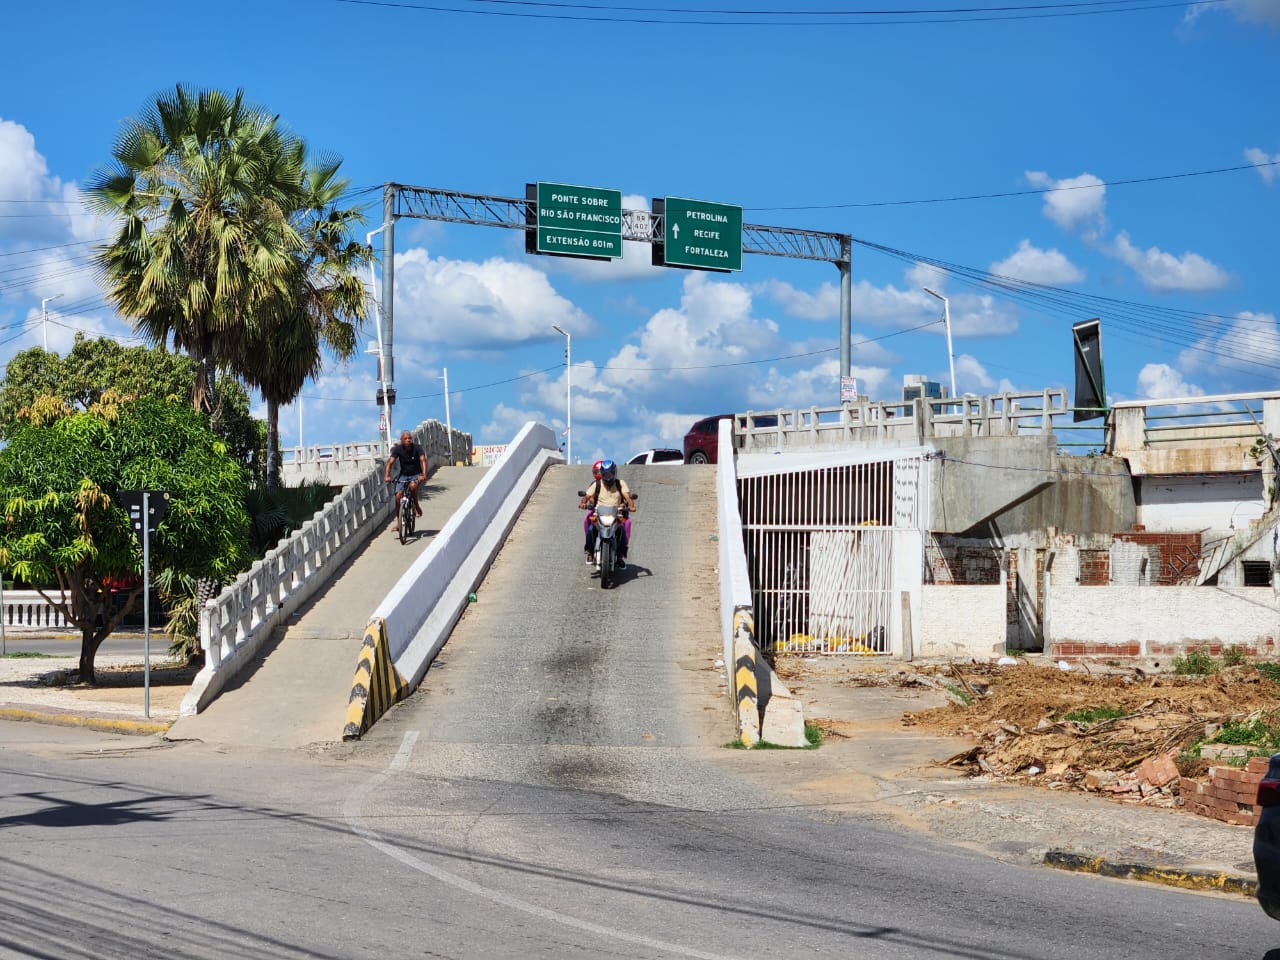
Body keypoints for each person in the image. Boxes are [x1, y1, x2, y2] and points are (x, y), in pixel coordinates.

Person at [578, 459, 636, 568]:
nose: (607, 476)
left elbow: (627, 496)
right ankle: (590, 552)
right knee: (591, 530)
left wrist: (631, 505)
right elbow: (587, 496)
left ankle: (620, 556)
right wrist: (583, 503)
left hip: (617, 513)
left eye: (610, 473)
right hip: (599, 512)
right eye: (605, 474)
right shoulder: (597, 484)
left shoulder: (620, 483)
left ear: (614, 472)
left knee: (622, 530)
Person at [384, 430, 428, 531]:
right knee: (398, 496)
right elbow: (390, 462)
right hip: (403, 475)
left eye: (409, 438)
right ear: (401, 440)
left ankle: (416, 506)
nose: (408, 440)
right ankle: (399, 524)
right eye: (405, 439)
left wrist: (423, 474)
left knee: (412, 486)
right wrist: (387, 476)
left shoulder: (417, 447)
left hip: (416, 474)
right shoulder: (397, 449)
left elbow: (423, 460)